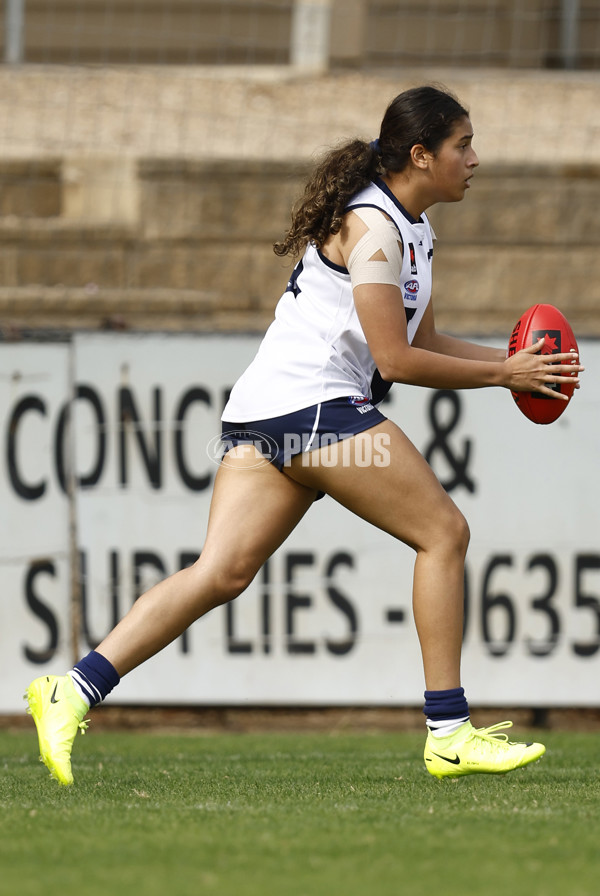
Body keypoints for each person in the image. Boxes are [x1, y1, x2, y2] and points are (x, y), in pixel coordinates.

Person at [25, 84, 582, 785]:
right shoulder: (376, 229)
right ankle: (448, 731)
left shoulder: (412, 229)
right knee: (444, 533)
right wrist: (505, 376)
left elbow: (428, 337)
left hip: (265, 413)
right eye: (462, 145)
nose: (475, 159)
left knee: (220, 573)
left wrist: (518, 367)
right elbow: (396, 360)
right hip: (314, 409)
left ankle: (70, 690)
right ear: (420, 155)